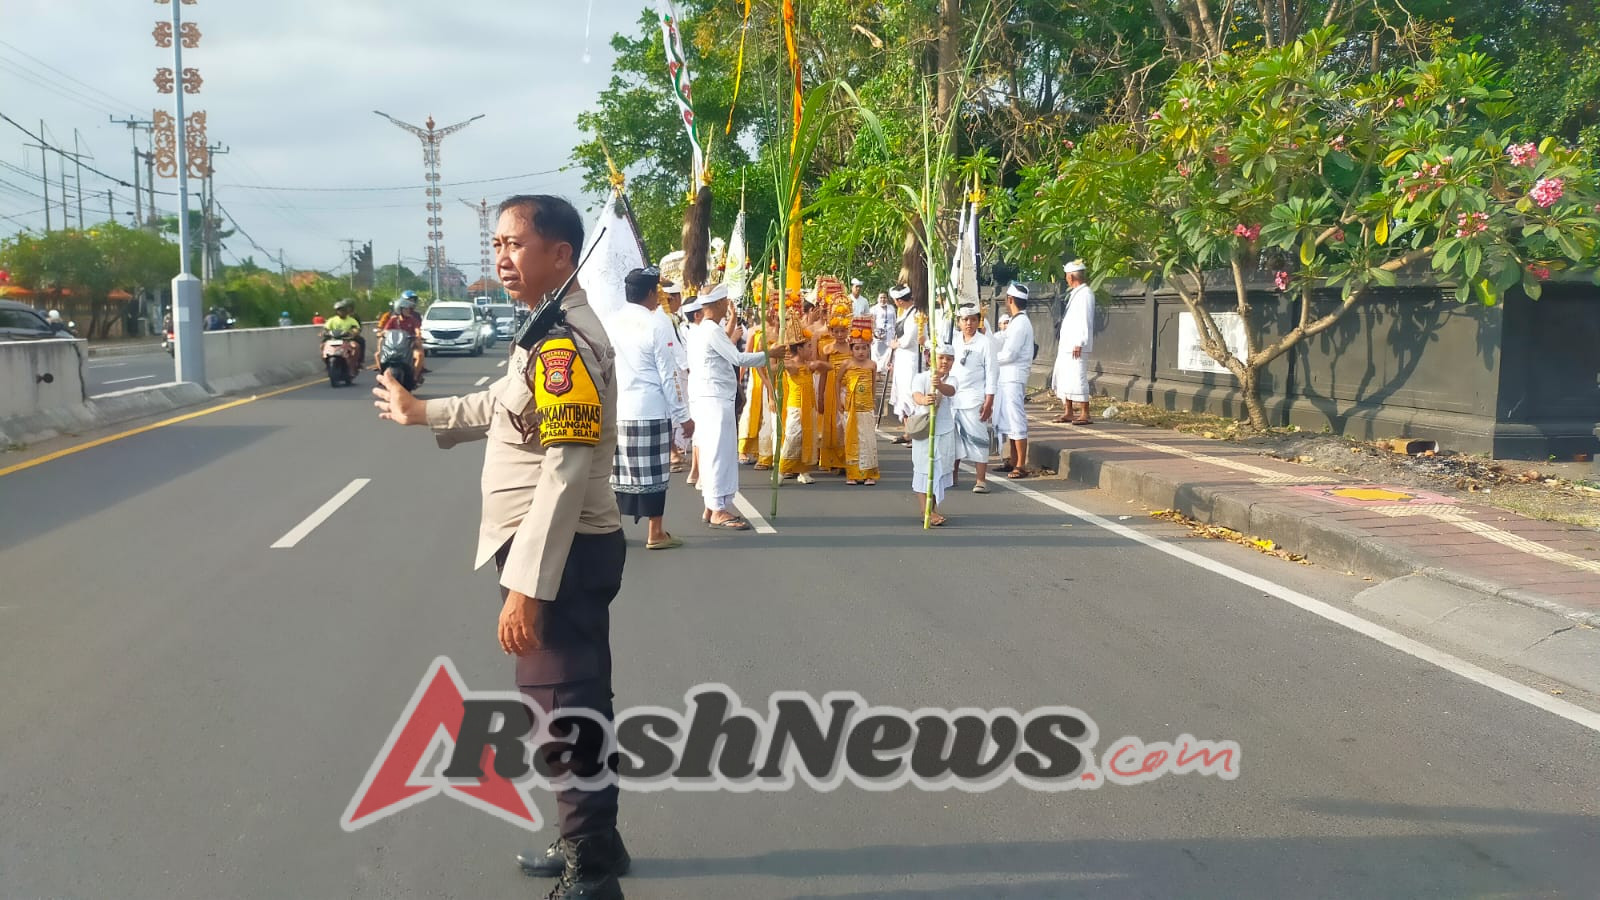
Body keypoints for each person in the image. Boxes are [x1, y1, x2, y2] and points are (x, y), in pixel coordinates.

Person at [370, 194, 629, 900]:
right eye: (498, 245)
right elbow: (504, 404)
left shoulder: (563, 342)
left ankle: (592, 872)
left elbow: (566, 467)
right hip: (568, 546)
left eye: (516, 244)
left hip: (560, 550)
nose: (502, 258)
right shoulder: (547, 330)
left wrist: (526, 584)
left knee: (560, 708)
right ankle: (595, 836)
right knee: (578, 698)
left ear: (561, 255)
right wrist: (426, 412)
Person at [610, 266, 694, 550]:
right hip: (650, 408)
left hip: (621, 409)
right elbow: (669, 376)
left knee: (621, 474)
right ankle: (655, 532)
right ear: (650, 293)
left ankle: (613, 531)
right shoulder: (656, 323)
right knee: (655, 474)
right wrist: (683, 416)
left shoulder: (612, 322)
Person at [688, 283, 785, 529]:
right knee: (719, 454)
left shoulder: (703, 329)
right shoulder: (710, 330)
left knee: (716, 453)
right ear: (719, 303)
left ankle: (712, 505)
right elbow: (738, 358)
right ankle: (719, 509)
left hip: (712, 399)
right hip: (715, 400)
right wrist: (770, 353)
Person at [949, 303, 998, 493]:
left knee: (978, 438)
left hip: (974, 398)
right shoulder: (953, 340)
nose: (969, 323)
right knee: (952, 439)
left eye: (973, 320)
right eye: (965, 320)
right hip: (953, 397)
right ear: (959, 322)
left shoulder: (985, 342)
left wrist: (989, 400)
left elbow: (992, 373)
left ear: (979, 321)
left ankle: (980, 480)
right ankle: (952, 475)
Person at [909, 344, 958, 526]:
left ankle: (933, 508)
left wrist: (940, 385)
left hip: (944, 430)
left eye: (949, 358)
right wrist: (924, 400)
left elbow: (950, 391)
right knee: (923, 469)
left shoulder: (952, 379)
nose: (945, 361)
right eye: (941, 357)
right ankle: (925, 510)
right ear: (930, 359)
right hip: (925, 431)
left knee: (938, 471)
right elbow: (916, 395)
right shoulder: (921, 377)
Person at [994, 282, 1036, 478]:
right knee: (1008, 421)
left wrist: (991, 360)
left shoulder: (1020, 324)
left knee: (1016, 420)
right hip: (1006, 377)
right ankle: (1012, 460)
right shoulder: (1016, 322)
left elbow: (1010, 354)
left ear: (1010, 300)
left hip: (1014, 377)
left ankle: (1021, 464)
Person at [1052, 260, 1097, 425]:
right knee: (1065, 378)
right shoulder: (1075, 293)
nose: (1066, 279)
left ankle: (1085, 412)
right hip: (1067, 345)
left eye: (1067, 277)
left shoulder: (1085, 294)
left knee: (1078, 377)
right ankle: (1068, 411)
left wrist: (1079, 342)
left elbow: (1085, 319)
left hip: (1077, 345)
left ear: (1071, 277)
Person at [738, 303, 780, 468]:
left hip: (780, 377)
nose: (771, 312)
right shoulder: (756, 331)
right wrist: (739, 378)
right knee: (753, 412)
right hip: (760, 377)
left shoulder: (787, 333)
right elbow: (747, 356)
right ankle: (746, 448)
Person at [841, 317, 880, 485]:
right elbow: (837, 382)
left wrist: (873, 402)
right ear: (851, 349)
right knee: (852, 440)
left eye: (864, 348)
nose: (861, 352)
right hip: (851, 407)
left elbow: (872, 386)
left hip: (867, 408)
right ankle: (853, 474)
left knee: (868, 439)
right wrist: (839, 402)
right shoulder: (847, 364)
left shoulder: (872, 365)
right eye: (857, 348)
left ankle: (869, 474)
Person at [887, 285, 924, 445]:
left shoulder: (916, 314)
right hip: (901, 358)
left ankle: (915, 432)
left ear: (900, 301)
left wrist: (896, 344)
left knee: (910, 394)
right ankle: (908, 432)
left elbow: (909, 339)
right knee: (902, 394)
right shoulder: (904, 313)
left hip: (911, 359)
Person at [870, 291, 895, 372]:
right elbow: (872, 322)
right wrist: (874, 333)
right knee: (876, 353)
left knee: (889, 352)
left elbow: (894, 321)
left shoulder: (891, 308)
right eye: (881, 297)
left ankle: (886, 371)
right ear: (878, 299)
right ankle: (877, 372)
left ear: (887, 299)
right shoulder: (874, 309)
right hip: (878, 334)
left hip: (889, 334)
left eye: (884, 297)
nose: (883, 299)